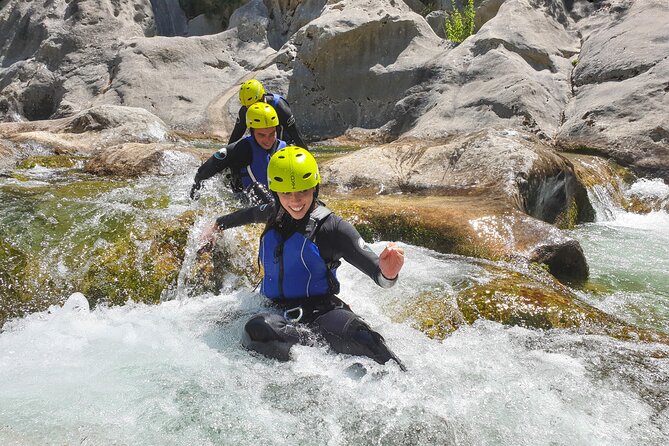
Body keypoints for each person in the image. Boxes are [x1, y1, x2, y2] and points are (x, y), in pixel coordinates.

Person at [203, 146, 406, 369]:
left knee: (370, 344)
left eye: (303, 191)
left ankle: (408, 387)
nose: (295, 200)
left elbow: (380, 274)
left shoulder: (333, 228)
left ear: (314, 188)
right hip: (275, 315)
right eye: (286, 193)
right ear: (276, 193)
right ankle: (310, 354)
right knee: (257, 330)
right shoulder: (274, 212)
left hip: (322, 314)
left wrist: (389, 271)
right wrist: (216, 226)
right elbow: (247, 214)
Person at [190, 102, 286, 203]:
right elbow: (202, 173)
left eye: (272, 134)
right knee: (258, 188)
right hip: (247, 203)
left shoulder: (284, 149)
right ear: (252, 132)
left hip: (274, 203)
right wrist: (194, 200)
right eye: (262, 135)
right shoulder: (240, 149)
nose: (268, 140)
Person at [229, 79, 307, 149]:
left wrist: (310, 159)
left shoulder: (279, 106)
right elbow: (236, 135)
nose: (252, 109)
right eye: (248, 107)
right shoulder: (245, 110)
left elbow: (296, 134)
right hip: (261, 145)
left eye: (254, 104)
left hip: (284, 145)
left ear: (263, 97)